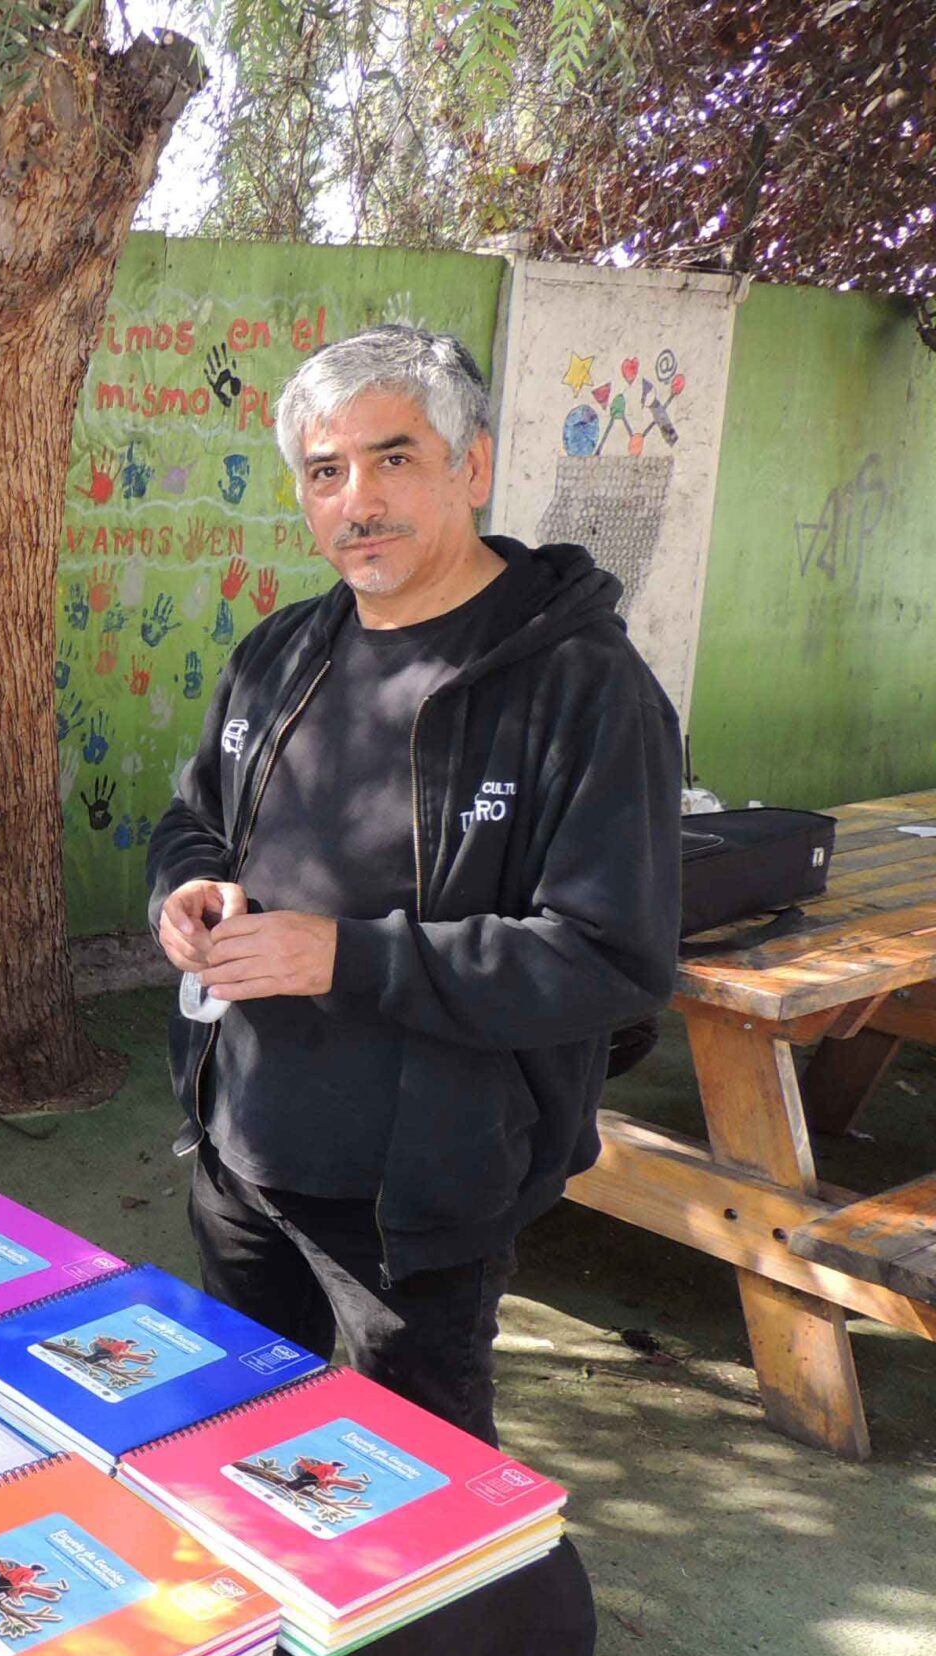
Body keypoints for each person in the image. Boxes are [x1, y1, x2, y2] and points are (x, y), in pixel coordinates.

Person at [148, 322, 682, 1443]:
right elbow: (195, 818)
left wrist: (345, 955)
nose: (358, 501)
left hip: (419, 1198)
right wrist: (186, 888)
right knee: (235, 1442)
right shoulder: (278, 652)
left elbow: (612, 957)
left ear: (471, 466)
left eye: (393, 458)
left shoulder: (585, 688)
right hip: (240, 1152)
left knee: (417, 1484)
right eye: (325, 472)